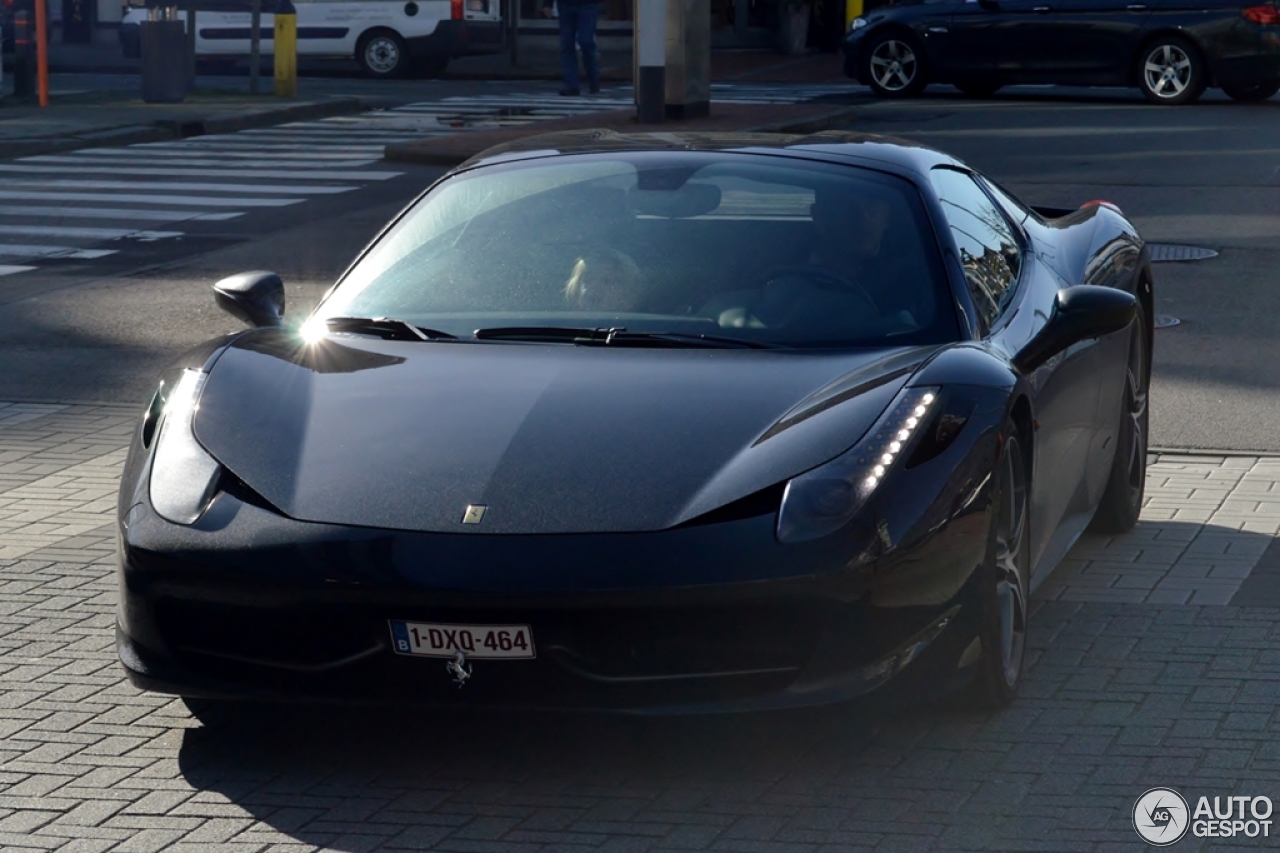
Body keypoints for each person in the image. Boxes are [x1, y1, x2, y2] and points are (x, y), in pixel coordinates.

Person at [542, 0, 602, 96]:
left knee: (583, 41)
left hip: (585, 4)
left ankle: (591, 77)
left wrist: (547, 4)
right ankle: (573, 85)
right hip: (569, 5)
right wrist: (547, 4)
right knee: (568, 43)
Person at [564, 249, 645, 312]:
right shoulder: (559, 327)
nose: (593, 288)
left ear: (629, 296)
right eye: (587, 278)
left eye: (607, 281)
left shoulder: (641, 329)